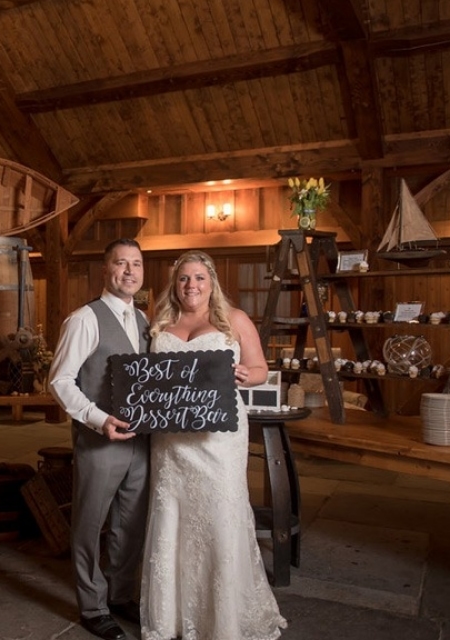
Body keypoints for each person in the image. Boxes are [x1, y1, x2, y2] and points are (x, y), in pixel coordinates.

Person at [140, 250, 287, 640]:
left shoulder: (233, 319)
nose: (191, 285)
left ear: (212, 282)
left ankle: (223, 619)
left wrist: (247, 375)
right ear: (175, 284)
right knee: (173, 515)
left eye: (199, 278)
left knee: (219, 514)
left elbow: (261, 368)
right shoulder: (162, 321)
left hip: (218, 438)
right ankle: (171, 616)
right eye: (184, 278)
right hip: (171, 439)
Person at [48, 238, 151, 640]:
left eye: (136, 264)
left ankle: (121, 594)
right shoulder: (84, 319)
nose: (129, 271)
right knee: (90, 524)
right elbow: (60, 381)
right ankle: (93, 607)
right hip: (100, 441)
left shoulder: (143, 320)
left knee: (131, 523)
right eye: (121, 263)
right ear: (105, 270)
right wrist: (98, 419)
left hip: (141, 442)